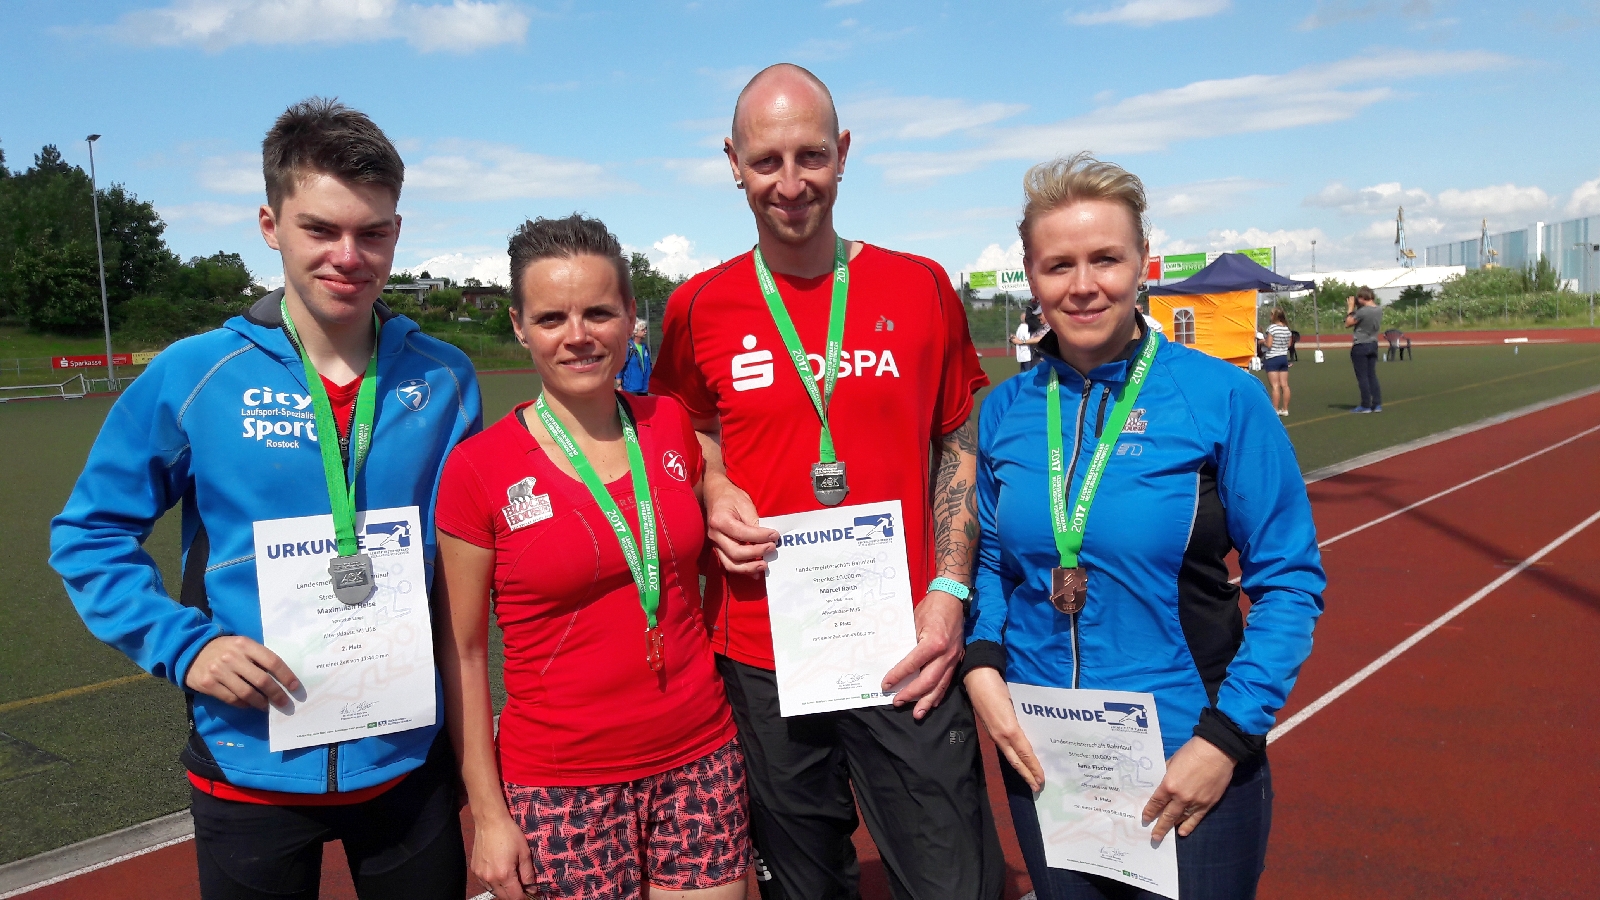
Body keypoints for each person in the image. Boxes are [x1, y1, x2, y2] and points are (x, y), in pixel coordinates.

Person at [49, 99, 480, 899]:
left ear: (396, 230)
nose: (349, 256)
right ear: (270, 224)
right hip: (249, 767)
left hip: (408, 764)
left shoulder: (446, 377)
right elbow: (89, 534)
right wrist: (185, 646)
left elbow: (468, 563)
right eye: (320, 228)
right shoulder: (194, 373)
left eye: (373, 232)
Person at [650, 63, 1004, 900]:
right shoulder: (698, 305)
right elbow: (684, 429)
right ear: (732, 163)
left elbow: (961, 437)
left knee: (955, 883)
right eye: (765, 161)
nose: (790, 183)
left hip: (905, 643)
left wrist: (949, 589)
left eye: (810, 156)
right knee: (802, 889)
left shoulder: (918, 285)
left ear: (843, 154)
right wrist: (711, 483)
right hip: (762, 651)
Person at [963, 153, 1325, 900]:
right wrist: (983, 665)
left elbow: (1289, 583)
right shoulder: (1006, 410)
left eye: (1106, 258)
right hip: (1047, 755)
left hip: (1185, 758)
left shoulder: (1221, 398)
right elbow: (994, 559)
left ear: (1142, 267)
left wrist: (1226, 739)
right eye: (1058, 264)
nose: (1084, 284)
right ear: (1031, 276)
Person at [434, 215, 748, 900]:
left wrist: (718, 483)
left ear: (631, 318)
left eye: (599, 312)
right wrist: (487, 814)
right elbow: (461, 653)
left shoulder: (666, 423)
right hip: (560, 784)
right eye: (551, 317)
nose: (578, 335)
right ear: (519, 325)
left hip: (699, 757)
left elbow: (706, 459)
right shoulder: (477, 470)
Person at [1346, 287, 1383, 413]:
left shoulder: (1363, 312)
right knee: (1371, 375)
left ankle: (1366, 404)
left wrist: (1350, 308)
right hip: (1373, 343)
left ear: (1362, 298)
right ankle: (1377, 404)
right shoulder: (1378, 309)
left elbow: (1348, 323)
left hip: (1361, 345)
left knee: (1362, 377)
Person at [1264, 308, 1293, 416]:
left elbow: (1269, 344)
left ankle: (1275, 409)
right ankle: (1285, 409)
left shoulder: (1272, 328)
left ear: (1274, 316)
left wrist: (1262, 341)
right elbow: (1289, 344)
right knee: (1285, 385)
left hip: (1273, 358)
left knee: (1275, 385)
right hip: (1283, 357)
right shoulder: (1286, 329)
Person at [618, 316, 653, 393]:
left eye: (645, 329)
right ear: (635, 331)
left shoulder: (645, 347)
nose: (645, 331)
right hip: (631, 389)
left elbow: (649, 366)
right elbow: (620, 365)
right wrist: (619, 384)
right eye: (643, 330)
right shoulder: (628, 347)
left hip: (644, 388)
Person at [1011, 307, 1043, 371]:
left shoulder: (1019, 327)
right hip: (1027, 356)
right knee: (1028, 376)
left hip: (1021, 356)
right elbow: (1029, 340)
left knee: (1023, 376)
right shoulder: (1026, 328)